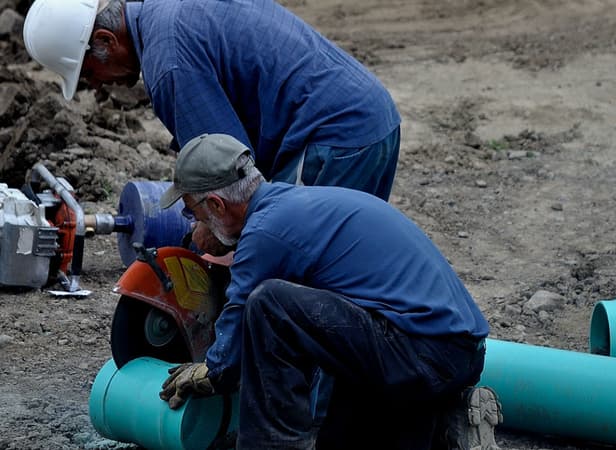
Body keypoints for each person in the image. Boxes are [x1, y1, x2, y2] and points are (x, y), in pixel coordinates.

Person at [156, 133, 502, 450]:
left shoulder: (265, 232)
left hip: (422, 354)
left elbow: (238, 324)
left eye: (193, 211)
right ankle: (449, 425)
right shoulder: (302, 206)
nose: (194, 222)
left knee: (270, 304)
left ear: (217, 205)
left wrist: (210, 370)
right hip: (449, 353)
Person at [22, 0, 401, 255]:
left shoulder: (168, 63)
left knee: (293, 265)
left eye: (89, 73)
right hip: (368, 116)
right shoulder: (161, 11)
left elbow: (231, 178)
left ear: (106, 40)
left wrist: (202, 239)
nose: (97, 85)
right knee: (343, 255)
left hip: (335, 137)